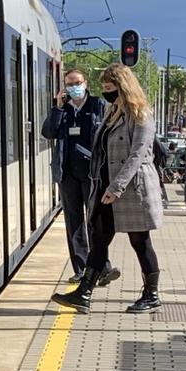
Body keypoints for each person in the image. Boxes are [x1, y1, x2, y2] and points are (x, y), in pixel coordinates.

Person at [51, 63, 164, 313]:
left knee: (140, 241)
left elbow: (138, 154)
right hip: (106, 187)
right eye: (103, 87)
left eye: (110, 87)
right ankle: (84, 293)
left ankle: (152, 294)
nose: (105, 92)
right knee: (99, 238)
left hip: (133, 189)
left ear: (123, 87)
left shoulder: (141, 114)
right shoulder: (113, 112)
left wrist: (118, 186)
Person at [42, 69, 120, 285]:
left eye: (77, 82)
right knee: (74, 222)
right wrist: (57, 108)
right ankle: (81, 269)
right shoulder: (62, 109)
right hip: (67, 173)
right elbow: (48, 132)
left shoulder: (98, 106)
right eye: (69, 83)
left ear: (85, 83)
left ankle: (101, 267)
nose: (73, 86)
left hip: (93, 173)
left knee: (95, 221)